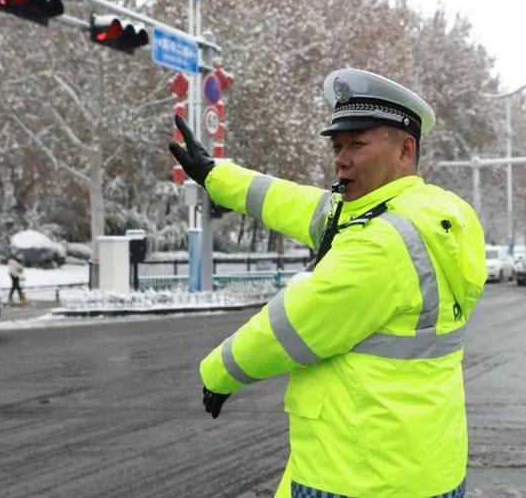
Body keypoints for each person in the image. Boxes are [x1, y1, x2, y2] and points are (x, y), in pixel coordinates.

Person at [170, 68, 487, 497]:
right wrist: (215, 176)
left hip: (359, 471)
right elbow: (296, 203)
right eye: (337, 146)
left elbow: (292, 326)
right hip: (423, 461)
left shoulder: (381, 244)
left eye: (357, 144)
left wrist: (218, 374)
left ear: (405, 150)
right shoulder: (427, 212)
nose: (341, 158)